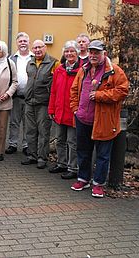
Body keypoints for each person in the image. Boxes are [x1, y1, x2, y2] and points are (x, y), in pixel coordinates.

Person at [70, 40, 128, 198]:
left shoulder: (114, 71)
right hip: (83, 118)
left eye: (97, 53)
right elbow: (74, 90)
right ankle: (83, 179)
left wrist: (100, 95)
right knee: (83, 151)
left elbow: (122, 91)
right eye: (91, 52)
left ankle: (98, 184)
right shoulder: (84, 69)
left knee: (103, 155)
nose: (93, 55)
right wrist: (75, 109)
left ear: (104, 54)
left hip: (103, 120)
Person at [21, 40, 59, 169]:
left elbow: (56, 84)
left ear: (45, 48)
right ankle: (32, 155)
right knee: (30, 131)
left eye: (39, 47)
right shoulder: (30, 63)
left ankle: (42, 157)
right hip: (29, 102)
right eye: (35, 48)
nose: (37, 50)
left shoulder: (54, 63)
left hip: (43, 103)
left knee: (43, 132)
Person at [48, 40, 81, 179]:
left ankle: (73, 167)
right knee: (60, 140)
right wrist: (51, 109)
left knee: (72, 142)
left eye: (72, 51)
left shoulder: (82, 70)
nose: (69, 54)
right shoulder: (59, 70)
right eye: (66, 51)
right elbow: (53, 91)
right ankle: (61, 163)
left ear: (77, 53)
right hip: (60, 111)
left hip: (73, 112)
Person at [6, 32, 33, 156]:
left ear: (28, 42)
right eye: (20, 41)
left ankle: (26, 145)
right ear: (17, 43)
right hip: (16, 96)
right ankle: (13, 144)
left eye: (25, 41)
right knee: (14, 121)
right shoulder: (12, 58)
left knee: (28, 123)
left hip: (30, 97)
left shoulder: (34, 58)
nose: (22, 43)